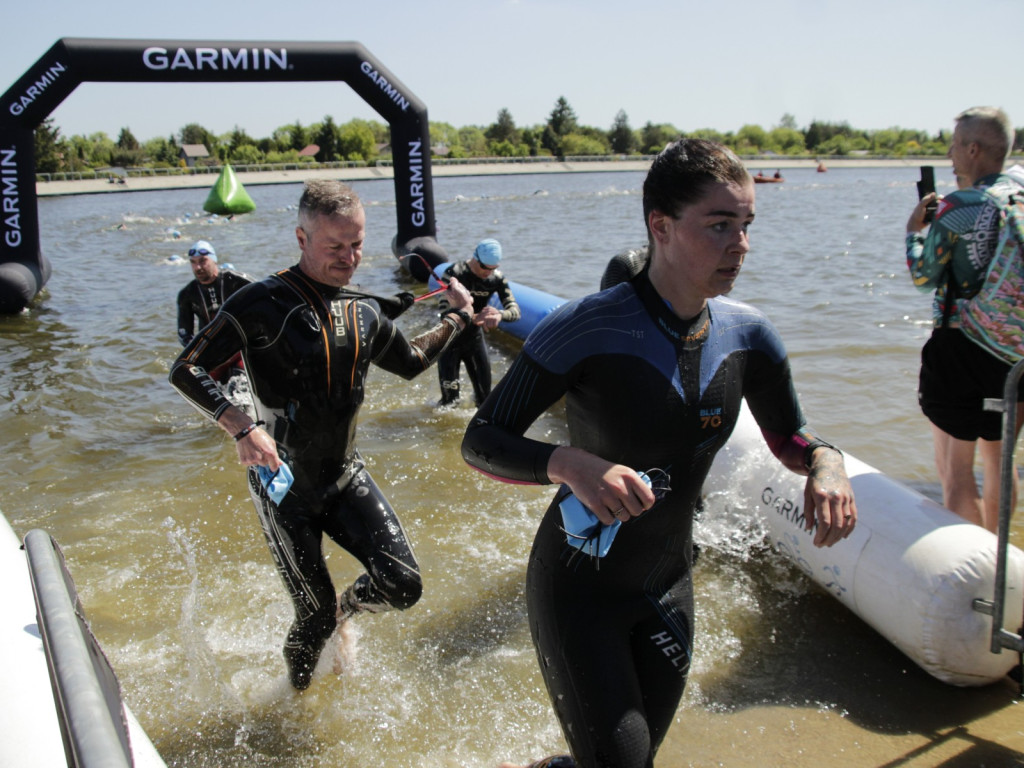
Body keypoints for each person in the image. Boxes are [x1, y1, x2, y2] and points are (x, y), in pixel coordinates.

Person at [463, 138, 857, 768]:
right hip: (579, 588)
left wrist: (827, 465)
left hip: (668, 583)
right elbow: (481, 441)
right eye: (720, 225)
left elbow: (792, 439)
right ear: (661, 226)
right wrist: (569, 463)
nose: (741, 244)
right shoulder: (588, 326)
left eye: (747, 225)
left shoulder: (748, 334)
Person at [169, 179, 476, 691]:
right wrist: (241, 425)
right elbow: (186, 369)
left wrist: (460, 316)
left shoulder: (362, 309)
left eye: (356, 244)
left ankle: (345, 611)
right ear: (301, 238)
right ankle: (293, 704)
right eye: (334, 246)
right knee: (308, 623)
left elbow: (412, 361)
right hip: (283, 485)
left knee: (403, 586)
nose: (349, 257)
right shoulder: (259, 303)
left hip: (344, 475)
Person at [906, 106, 1024, 533]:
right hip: (1016, 350)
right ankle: (1002, 559)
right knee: (999, 457)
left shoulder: (962, 205)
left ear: (973, 149)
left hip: (963, 348)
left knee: (956, 469)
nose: (951, 154)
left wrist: (914, 231)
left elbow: (924, 277)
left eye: (955, 145)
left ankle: (972, 580)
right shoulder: (1020, 192)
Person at [436, 238, 521, 406]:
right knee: (449, 403)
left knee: (485, 400)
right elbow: (444, 310)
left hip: (474, 339)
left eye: (493, 268)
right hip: (450, 339)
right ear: (475, 258)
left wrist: (499, 315)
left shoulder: (497, 279)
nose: (487, 273)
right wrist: (474, 317)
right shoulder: (455, 273)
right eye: (484, 267)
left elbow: (516, 312)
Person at [176, 239, 253, 349]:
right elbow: (184, 333)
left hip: (243, 342)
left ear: (214, 260)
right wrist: (197, 349)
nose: (198, 267)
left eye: (203, 261)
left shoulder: (237, 281)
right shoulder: (187, 294)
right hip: (211, 349)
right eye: (193, 262)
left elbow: (267, 301)